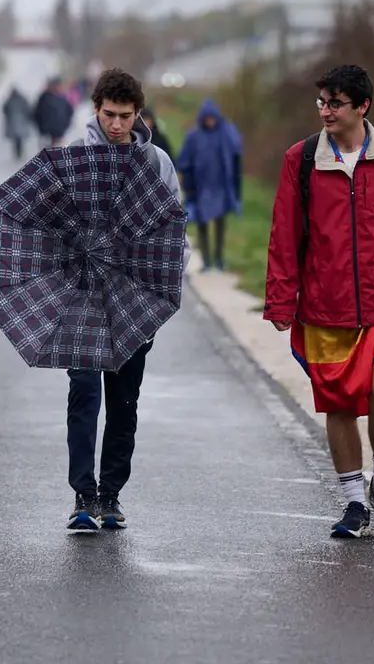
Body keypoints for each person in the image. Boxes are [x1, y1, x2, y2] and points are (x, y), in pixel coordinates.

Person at [264, 64, 374, 539]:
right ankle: (353, 502)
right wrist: (281, 301)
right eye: (322, 101)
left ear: (362, 107)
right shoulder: (300, 160)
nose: (325, 110)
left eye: (335, 103)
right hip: (325, 304)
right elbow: (285, 235)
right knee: (339, 405)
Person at [63, 67, 190, 532]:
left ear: (138, 115)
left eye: (125, 116)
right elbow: (52, 225)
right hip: (83, 296)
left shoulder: (156, 162)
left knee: (124, 399)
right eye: (109, 115)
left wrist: (167, 275)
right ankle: (83, 493)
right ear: (96, 111)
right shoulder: (73, 160)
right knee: (83, 392)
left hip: (134, 298)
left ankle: (111, 495)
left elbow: (173, 226)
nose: (117, 125)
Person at [176, 99, 243, 271]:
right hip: (201, 188)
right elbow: (185, 160)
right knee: (202, 224)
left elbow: (235, 157)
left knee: (220, 224)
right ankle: (206, 261)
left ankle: (219, 259)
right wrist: (188, 184)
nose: (210, 122)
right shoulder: (194, 136)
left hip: (220, 186)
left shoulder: (226, 133)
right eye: (207, 119)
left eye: (213, 118)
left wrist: (235, 185)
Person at [33, 77, 75, 147]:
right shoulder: (45, 98)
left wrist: (65, 125)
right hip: (48, 132)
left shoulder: (62, 98)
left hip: (56, 131)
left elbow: (70, 112)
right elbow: (37, 114)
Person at [1, 87, 35, 159]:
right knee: (19, 139)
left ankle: (18, 153)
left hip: (14, 122)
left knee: (16, 139)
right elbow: (28, 109)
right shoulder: (22, 99)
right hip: (21, 122)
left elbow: (4, 110)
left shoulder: (10, 100)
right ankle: (19, 152)